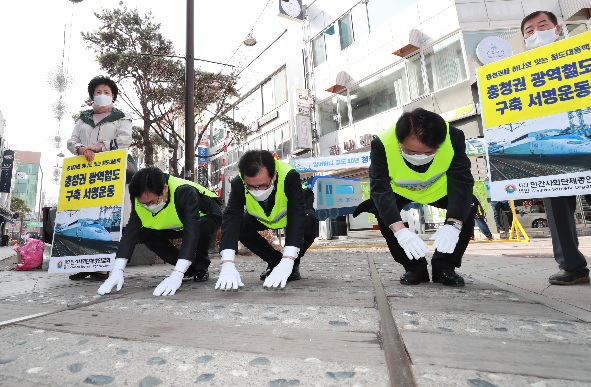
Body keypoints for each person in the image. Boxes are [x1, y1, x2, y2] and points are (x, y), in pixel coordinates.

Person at [354, 108, 476, 287]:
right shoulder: (382, 142)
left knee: (468, 205)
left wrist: (453, 225)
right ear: (399, 140)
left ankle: (444, 266)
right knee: (383, 211)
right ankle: (414, 267)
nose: (419, 157)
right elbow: (380, 188)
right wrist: (401, 232)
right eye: (411, 152)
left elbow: (462, 181)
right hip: (400, 190)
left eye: (428, 153)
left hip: (438, 189)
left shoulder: (454, 137)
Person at [520, 10, 590, 285]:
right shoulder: (521, 69)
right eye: (529, 30)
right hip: (551, 149)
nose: (536, 32)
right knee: (557, 208)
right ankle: (572, 267)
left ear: (557, 28)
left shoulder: (581, 53)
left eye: (543, 25)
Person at [97, 166, 222, 296]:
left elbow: (192, 232)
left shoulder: (184, 191)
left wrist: (177, 274)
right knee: (143, 232)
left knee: (201, 228)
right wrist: (117, 270)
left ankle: (201, 266)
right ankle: (189, 269)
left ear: (165, 189)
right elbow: (130, 233)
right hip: (173, 223)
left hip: (205, 218)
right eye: (143, 203)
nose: (148, 206)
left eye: (152, 202)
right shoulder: (138, 197)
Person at [215, 150, 317, 290]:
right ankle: (275, 261)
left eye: (263, 185)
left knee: (310, 220)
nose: (257, 190)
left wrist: (288, 260)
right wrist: (227, 263)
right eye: (251, 186)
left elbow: (297, 214)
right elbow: (231, 217)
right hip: (261, 218)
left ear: (274, 175)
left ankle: (292, 266)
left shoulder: (289, 175)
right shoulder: (239, 182)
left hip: (291, 216)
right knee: (240, 225)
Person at [66, 75, 132, 281]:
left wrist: (99, 147)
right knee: (85, 218)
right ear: (91, 96)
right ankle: (84, 264)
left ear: (113, 96)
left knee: (105, 219)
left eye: (106, 92)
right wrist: (80, 148)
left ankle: (103, 267)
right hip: (86, 177)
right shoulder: (82, 118)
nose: (102, 95)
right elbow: (72, 141)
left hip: (110, 175)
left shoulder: (122, 117)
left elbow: (124, 140)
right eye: (98, 92)